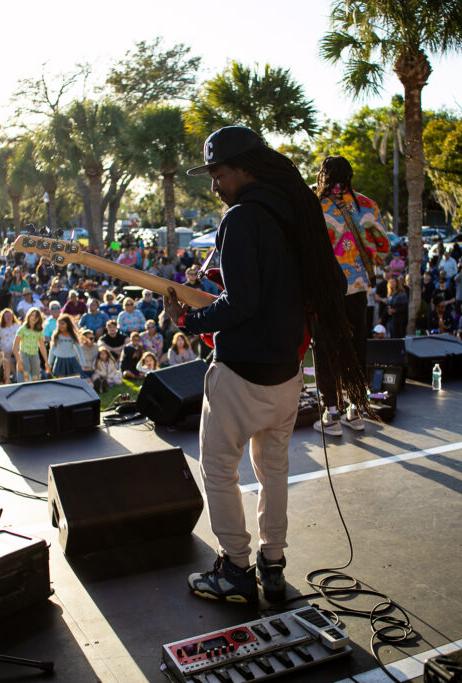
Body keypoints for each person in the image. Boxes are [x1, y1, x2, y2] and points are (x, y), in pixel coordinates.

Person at [164, 126, 366, 604]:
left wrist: (189, 319)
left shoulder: (241, 218)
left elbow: (241, 303)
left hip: (240, 372)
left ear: (244, 168)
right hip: (288, 371)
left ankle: (235, 568)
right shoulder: (297, 212)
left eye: (218, 173)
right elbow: (328, 284)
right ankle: (272, 566)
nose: (214, 185)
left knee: (218, 468)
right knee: (273, 470)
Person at [312, 155, 391, 436]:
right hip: (357, 288)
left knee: (326, 347)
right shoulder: (365, 205)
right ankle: (355, 409)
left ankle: (331, 413)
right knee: (355, 347)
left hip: (326, 290)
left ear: (323, 175)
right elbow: (383, 247)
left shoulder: (313, 204)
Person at [14, 307, 48, 382]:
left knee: (35, 377)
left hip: (34, 354)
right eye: (32, 315)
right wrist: (19, 362)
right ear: (28, 316)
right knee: (25, 376)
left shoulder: (38, 331)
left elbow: (42, 346)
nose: (34, 318)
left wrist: (46, 361)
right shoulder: (22, 329)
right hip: (24, 354)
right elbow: (15, 347)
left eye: (36, 317)